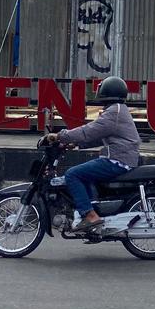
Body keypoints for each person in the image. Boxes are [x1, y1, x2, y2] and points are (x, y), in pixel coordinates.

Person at [44, 76, 139, 232]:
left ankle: (90, 216)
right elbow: (100, 136)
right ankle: (92, 211)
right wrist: (77, 144)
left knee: (72, 174)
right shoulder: (118, 110)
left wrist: (60, 135)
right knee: (84, 175)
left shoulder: (113, 113)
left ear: (107, 92)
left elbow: (87, 131)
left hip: (117, 160)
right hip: (122, 158)